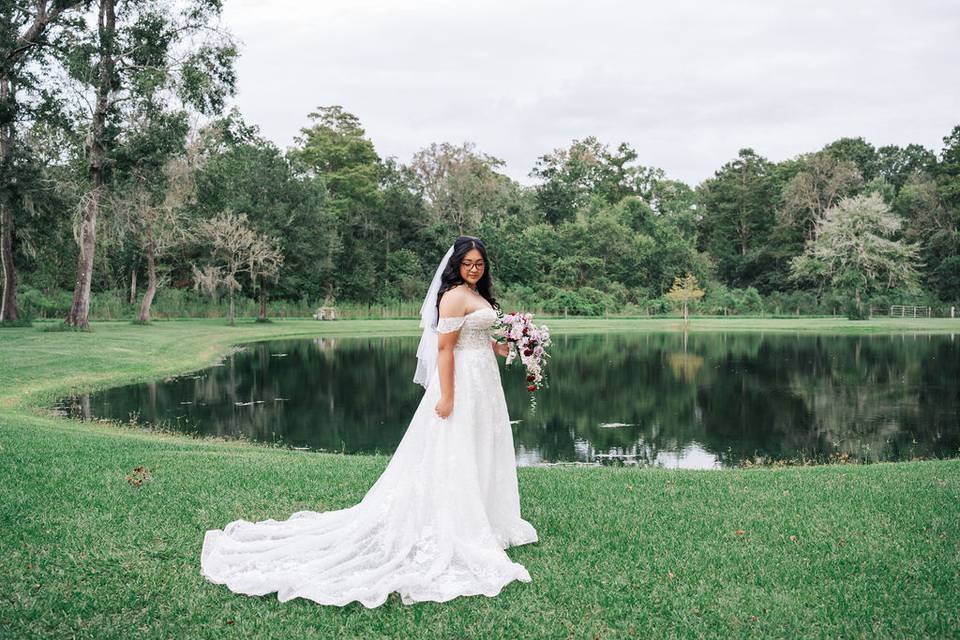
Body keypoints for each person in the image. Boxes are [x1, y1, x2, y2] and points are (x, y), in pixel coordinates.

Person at [200, 235, 538, 607]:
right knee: (454, 450)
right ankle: (456, 524)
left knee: (481, 445)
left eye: (479, 263)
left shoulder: (478, 295)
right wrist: (447, 396)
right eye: (467, 263)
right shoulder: (454, 295)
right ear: (455, 265)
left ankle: (487, 518)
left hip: (483, 379)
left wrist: (506, 346)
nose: (474, 269)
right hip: (461, 382)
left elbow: (478, 335)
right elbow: (444, 348)